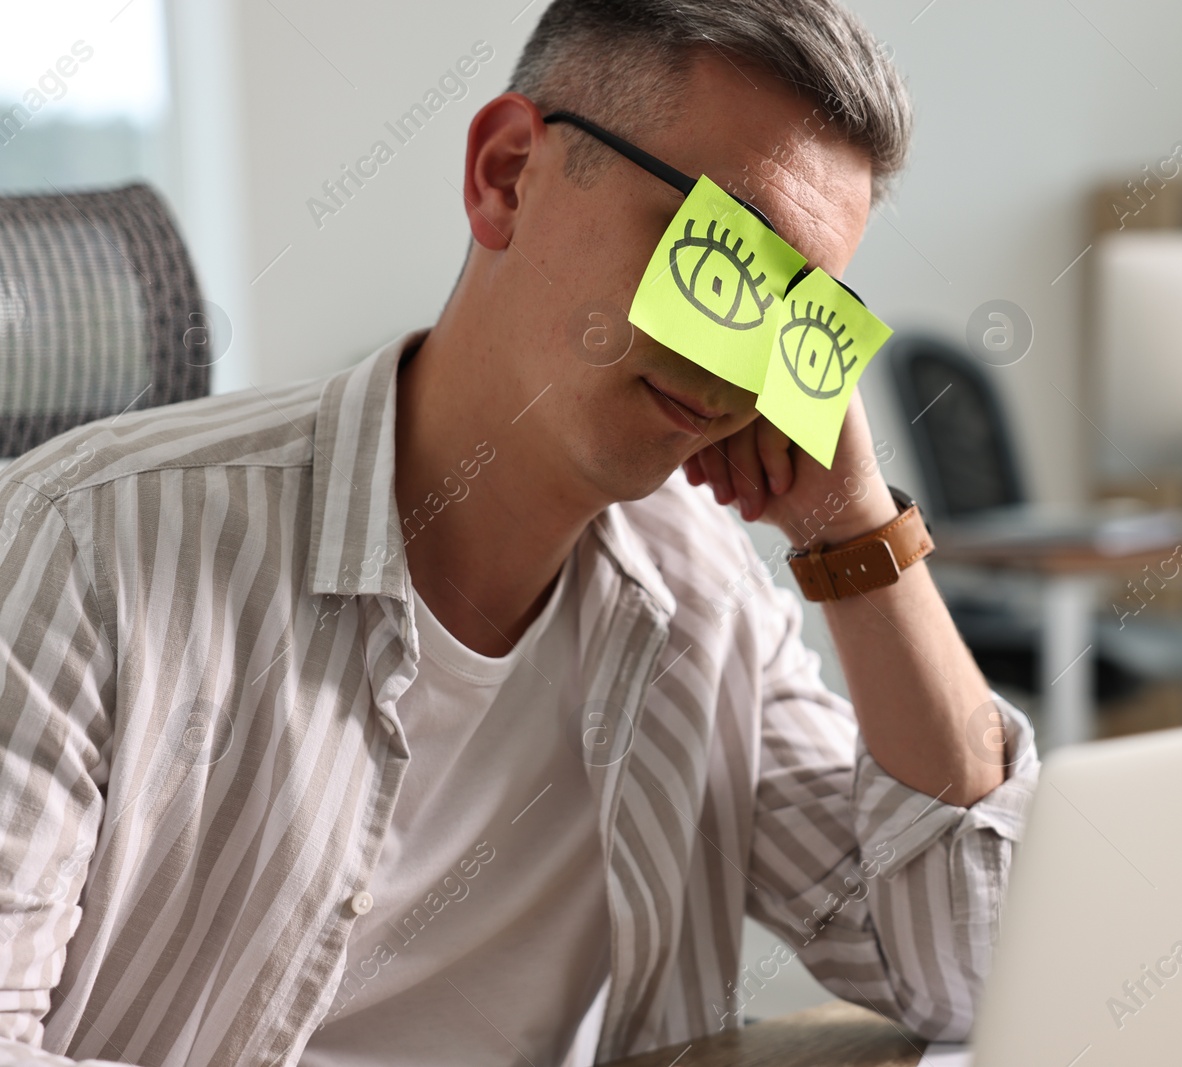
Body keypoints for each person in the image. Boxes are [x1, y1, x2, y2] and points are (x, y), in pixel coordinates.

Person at [0, 2, 1038, 1064]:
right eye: (720, 263)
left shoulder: (702, 602)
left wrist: (854, 530)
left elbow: (968, 972)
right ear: (505, 175)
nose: (743, 365)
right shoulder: (82, 547)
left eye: (804, 317)